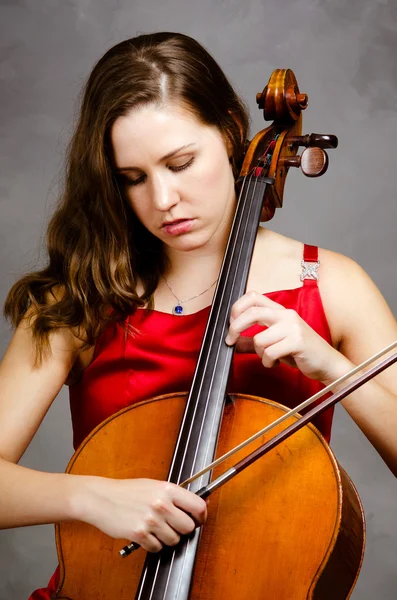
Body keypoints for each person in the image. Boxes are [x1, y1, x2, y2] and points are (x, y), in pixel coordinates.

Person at [1, 32, 396, 598]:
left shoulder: (331, 286)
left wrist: (336, 368)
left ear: (233, 134)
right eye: (132, 178)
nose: (162, 199)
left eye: (181, 163)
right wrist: (90, 497)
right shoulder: (80, 298)